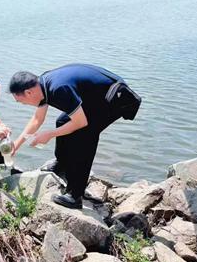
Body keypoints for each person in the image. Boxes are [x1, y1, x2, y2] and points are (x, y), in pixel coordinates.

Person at [9, 64, 139, 209]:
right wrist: (16, 145)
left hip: (117, 98)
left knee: (85, 135)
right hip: (96, 96)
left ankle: (75, 195)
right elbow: (37, 120)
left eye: (20, 101)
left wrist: (50, 134)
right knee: (62, 121)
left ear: (28, 93)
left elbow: (80, 122)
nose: (22, 104)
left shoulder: (59, 89)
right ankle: (62, 163)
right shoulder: (41, 85)